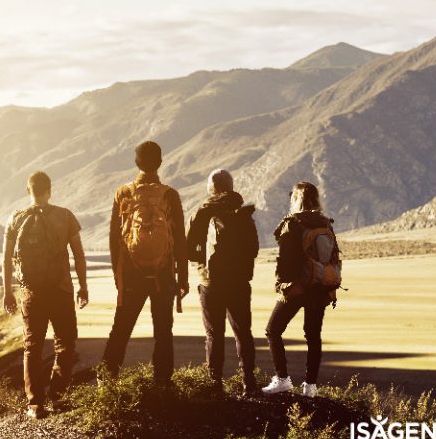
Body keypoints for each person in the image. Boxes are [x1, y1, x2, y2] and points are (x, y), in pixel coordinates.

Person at [101, 141, 189, 387]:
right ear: (160, 163)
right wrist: (183, 277)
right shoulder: (170, 195)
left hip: (131, 276)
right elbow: (180, 238)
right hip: (163, 276)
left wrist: (118, 276)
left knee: (121, 330)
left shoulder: (123, 194)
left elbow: (114, 239)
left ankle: (106, 382)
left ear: (136, 162)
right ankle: (162, 383)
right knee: (163, 332)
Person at [2, 171, 89, 419]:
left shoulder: (15, 219)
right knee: (65, 343)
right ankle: (58, 397)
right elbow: (79, 255)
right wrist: (83, 286)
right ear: (50, 190)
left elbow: (7, 258)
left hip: (30, 293)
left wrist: (8, 291)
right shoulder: (65, 216)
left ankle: (35, 404)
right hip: (60, 291)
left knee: (32, 347)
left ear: (27, 191)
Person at [262, 181, 339, 398]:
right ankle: (310, 387)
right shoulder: (326, 223)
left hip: (298, 287)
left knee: (273, 330)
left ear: (296, 199)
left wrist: (282, 285)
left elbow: (285, 260)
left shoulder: (293, 223)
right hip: (321, 285)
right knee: (313, 335)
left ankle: (283, 380)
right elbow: (334, 256)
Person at [186, 169, 259, 395]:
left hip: (211, 283)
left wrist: (202, 265)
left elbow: (188, 249)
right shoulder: (242, 212)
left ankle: (215, 383)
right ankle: (249, 382)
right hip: (239, 283)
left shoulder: (202, 212)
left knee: (214, 334)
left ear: (211, 188)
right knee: (243, 333)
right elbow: (254, 249)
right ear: (231, 185)